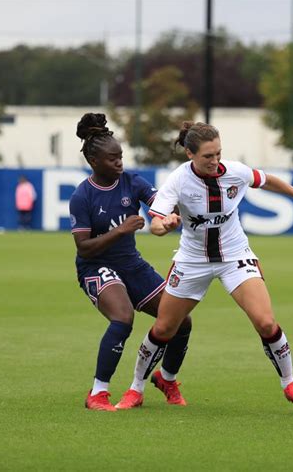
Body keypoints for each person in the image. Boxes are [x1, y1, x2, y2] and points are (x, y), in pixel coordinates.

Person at [120, 121, 293, 410]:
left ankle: (290, 383)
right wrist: (165, 224)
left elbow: (267, 180)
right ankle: (136, 389)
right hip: (192, 261)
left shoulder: (235, 172)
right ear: (189, 155)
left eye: (218, 153)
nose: (215, 161)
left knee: (266, 322)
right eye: (208, 156)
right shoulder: (178, 180)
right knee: (165, 327)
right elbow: (155, 222)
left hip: (234, 256)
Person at [69, 113, 191, 412]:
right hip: (95, 267)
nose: (119, 163)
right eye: (112, 159)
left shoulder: (131, 182)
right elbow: (84, 248)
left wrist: (169, 216)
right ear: (94, 161)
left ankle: (167, 378)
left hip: (130, 264)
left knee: (181, 321)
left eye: (121, 157)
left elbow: (160, 205)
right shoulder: (81, 196)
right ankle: (98, 393)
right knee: (123, 318)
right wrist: (120, 230)